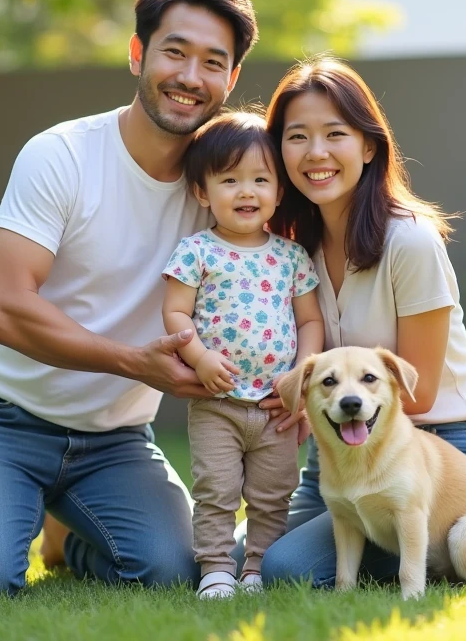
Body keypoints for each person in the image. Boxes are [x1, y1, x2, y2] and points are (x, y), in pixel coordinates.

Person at [0, 0, 259, 597]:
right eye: (174, 53)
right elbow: (4, 307)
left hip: (114, 440)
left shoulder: (225, 189)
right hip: (3, 416)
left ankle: (66, 539)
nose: (190, 78)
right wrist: (133, 363)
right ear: (137, 54)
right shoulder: (62, 155)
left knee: (178, 572)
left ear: (231, 78)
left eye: (213, 62)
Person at [250, 55, 466, 588]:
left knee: (286, 570)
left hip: (439, 447)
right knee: (234, 560)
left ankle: (434, 560)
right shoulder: (297, 252)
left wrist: (321, 401)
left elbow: (422, 392)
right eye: (296, 137)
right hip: (342, 447)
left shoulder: (409, 243)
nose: (315, 153)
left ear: (368, 146)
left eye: (334, 134)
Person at [161, 111, 324, 598]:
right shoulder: (197, 252)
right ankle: (215, 567)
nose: (246, 192)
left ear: (279, 191)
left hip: (276, 406)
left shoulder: (291, 255)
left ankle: (256, 568)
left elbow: (310, 321)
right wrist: (199, 358)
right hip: (218, 402)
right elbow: (175, 314)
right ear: (202, 192)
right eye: (229, 180)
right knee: (216, 490)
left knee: (274, 495)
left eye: (260, 179)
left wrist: (302, 373)